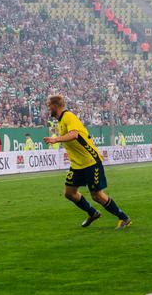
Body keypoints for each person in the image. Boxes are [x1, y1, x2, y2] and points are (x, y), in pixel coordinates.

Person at [43, 95, 131, 229]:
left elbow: (74, 135)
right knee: (69, 193)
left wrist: (56, 139)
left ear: (55, 105)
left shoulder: (68, 116)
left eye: (49, 105)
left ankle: (124, 218)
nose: (48, 108)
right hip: (77, 164)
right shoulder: (60, 121)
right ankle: (93, 213)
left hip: (90, 161)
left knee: (97, 195)